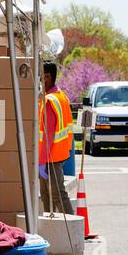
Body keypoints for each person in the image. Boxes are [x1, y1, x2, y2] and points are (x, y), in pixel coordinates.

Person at [38, 62, 74, 214]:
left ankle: (72, 228)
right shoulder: (60, 96)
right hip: (58, 154)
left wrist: (41, 162)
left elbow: (48, 135)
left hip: (50, 158)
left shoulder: (49, 100)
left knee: (56, 195)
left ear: (47, 77)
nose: (39, 81)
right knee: (49, 195)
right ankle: (50, 226)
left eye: (41, 77)